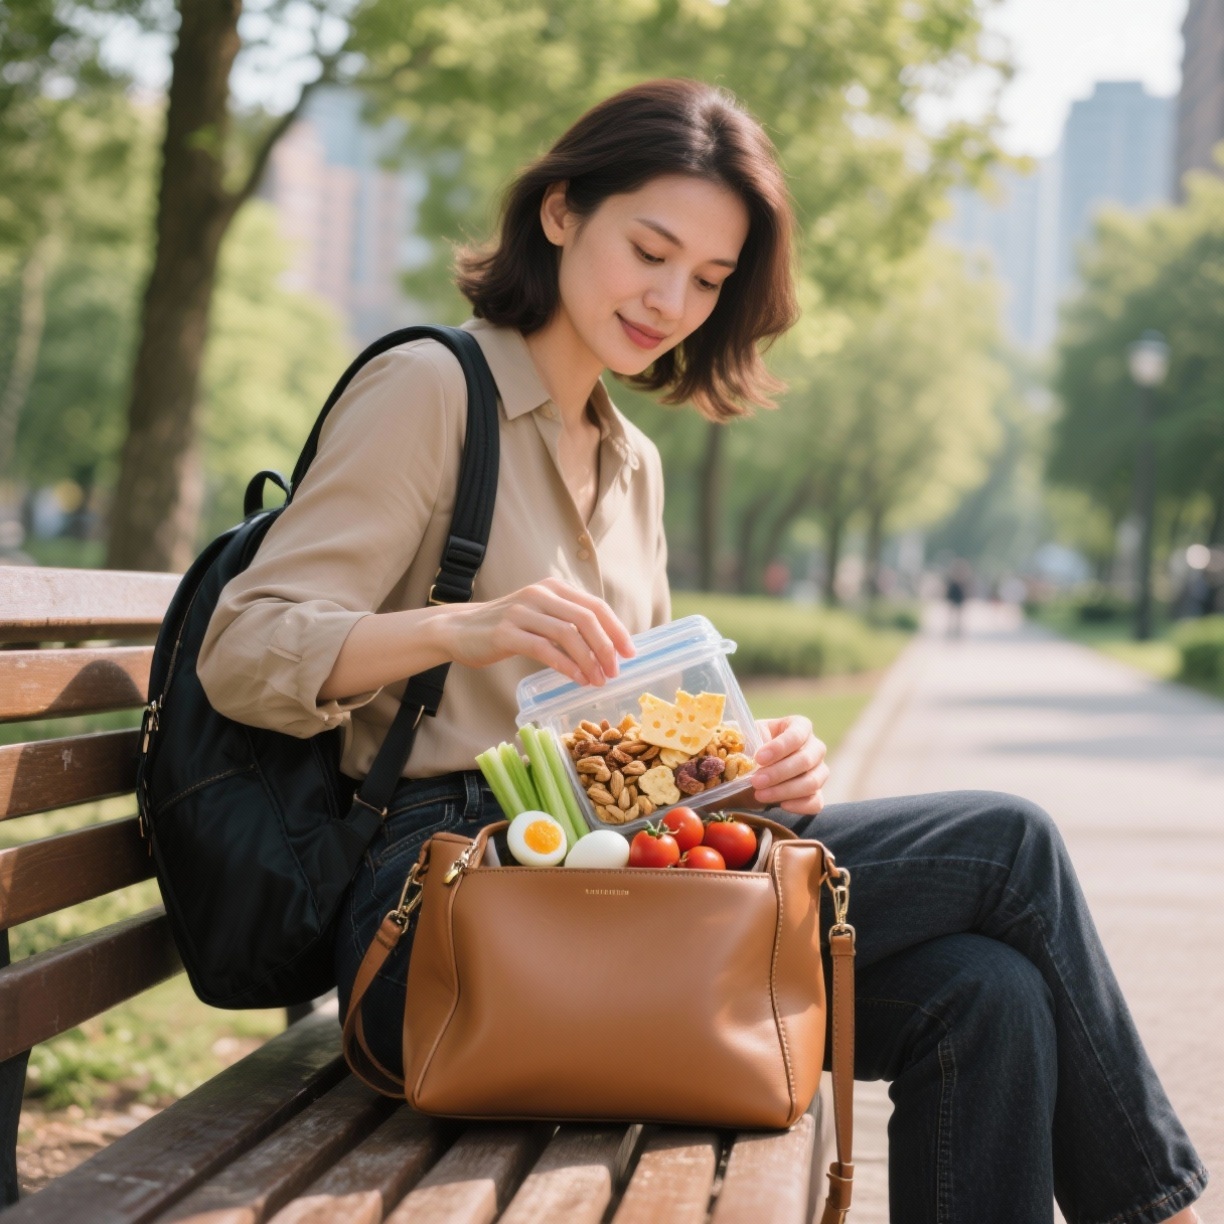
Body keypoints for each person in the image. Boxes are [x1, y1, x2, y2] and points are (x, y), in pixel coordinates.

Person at [196, 79, 1207, 1224]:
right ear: (561, 211)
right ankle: (1160, 1211)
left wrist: (751, 767)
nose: (671, 300)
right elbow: (245, 649)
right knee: (1010, 844)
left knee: (990, 994)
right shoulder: (431, 390)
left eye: (710, 279)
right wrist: (461, 625)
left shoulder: (634, 464)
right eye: (651, 251)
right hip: (452, 926)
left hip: (619, 894)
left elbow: (647, 748)